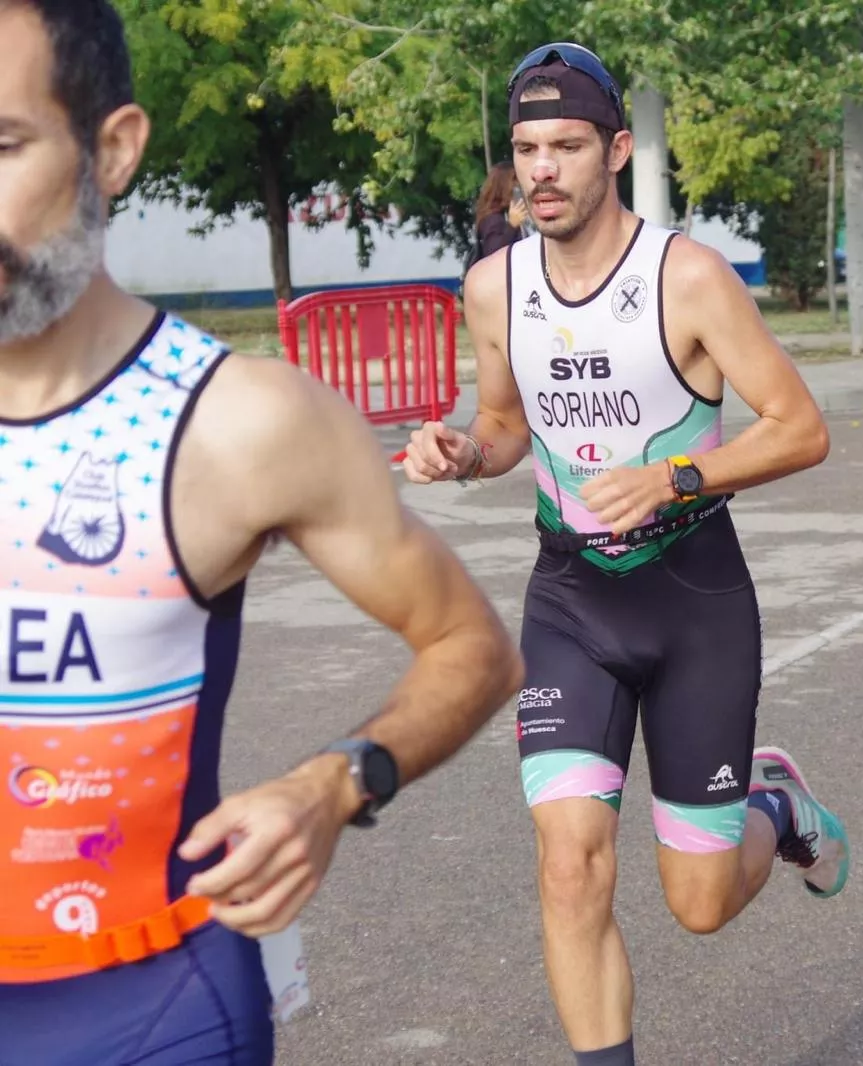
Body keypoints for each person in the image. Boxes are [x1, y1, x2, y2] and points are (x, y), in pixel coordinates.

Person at [0, 2, 525, 1063]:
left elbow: (474, 646)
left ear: (112, 149)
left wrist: (335, 782)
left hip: (137, 1008)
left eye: (2, 146)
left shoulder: (240, 423)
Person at [401, 43, 849, 1066]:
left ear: (612, 151)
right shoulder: (492, 287)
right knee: (569, 863)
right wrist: (466, 450)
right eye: (525, 149)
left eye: (564, 146)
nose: (542, 170)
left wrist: (677, 476)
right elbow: (505, 425)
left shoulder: (684, 278)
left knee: (698, 904)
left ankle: (775, 806)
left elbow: (799, 427)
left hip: (692, 596)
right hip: (570, 597)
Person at [473, 161, 531, 265]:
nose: (518, 185)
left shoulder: (507, 214)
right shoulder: (493, 218)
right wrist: (512, 226)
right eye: (514, 180)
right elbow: (492, 253)